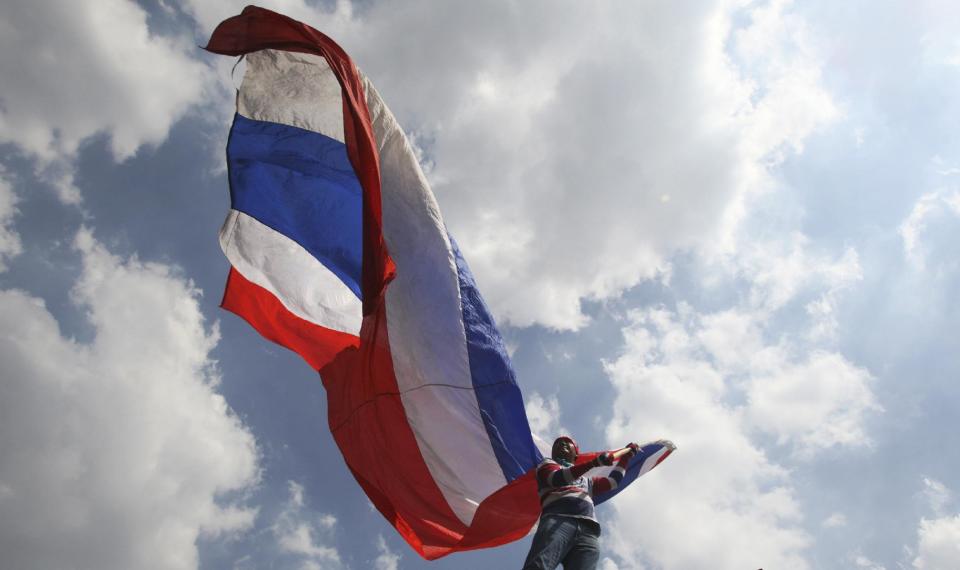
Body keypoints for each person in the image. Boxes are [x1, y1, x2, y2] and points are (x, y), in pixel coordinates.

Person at [521, 436, 640, 570]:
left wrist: (625, 458)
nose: (562, 443)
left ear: (576, 453)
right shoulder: (546, 465)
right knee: (539, 565)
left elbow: (613, 482)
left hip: (588, 531)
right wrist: (593, 463)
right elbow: (556, 479)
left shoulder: (586, 481)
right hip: (557, 519)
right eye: (558, 443)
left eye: (568, 442)